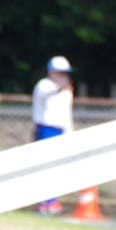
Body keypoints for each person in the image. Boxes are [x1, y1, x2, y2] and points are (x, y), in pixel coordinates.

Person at [33, 56, 74, 215]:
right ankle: (45, 202)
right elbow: (45, 94)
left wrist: (70, 131)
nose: (63, 75)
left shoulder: (66, 90)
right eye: (59, 72)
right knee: (45, 166)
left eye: (65, 72)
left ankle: (53, 200)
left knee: (57, 167)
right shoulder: (44, 85)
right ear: (51, 72)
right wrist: (60, 87)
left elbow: (66, 112)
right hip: (46, 128)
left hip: (61, 129)